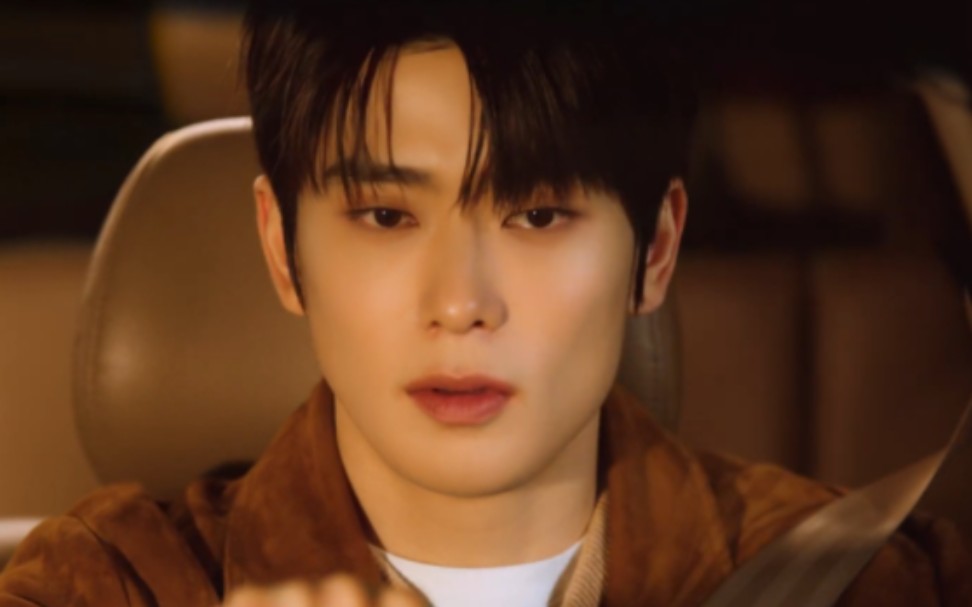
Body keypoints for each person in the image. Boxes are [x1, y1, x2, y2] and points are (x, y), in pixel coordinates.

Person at [1, 1, 969, 605]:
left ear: (655, 249)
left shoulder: (877, 582)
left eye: (539, 215)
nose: (461, 303)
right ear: (282, 248)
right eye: (386, 215)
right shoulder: (102, 586)